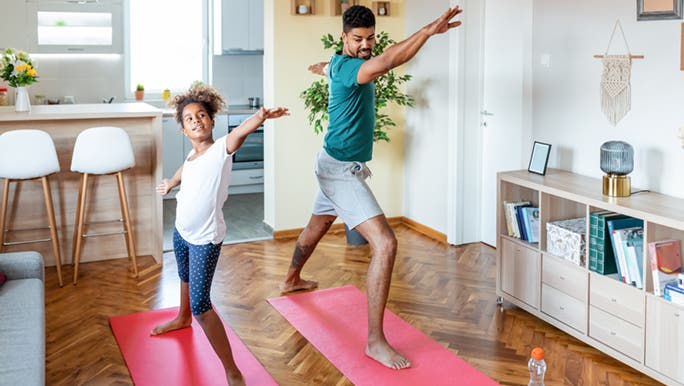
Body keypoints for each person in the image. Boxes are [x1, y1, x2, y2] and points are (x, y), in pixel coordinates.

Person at [279, 5, 462, 370]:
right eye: (358, 39)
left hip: (335, 164)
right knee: (386, 242)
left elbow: (336, 66)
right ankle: (375, 342)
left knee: (317, 226)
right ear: (344, 36)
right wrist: (426, 31)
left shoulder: (337, 63)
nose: (366, 45)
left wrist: (324, 68)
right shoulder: (351, 68)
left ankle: (291, 280)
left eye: (370, 38)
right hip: (339, 171)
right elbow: (388, 62)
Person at [153, 84, 289, 386]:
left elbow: (239, 133)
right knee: (185, 279)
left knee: (203, 306)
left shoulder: (220, 150)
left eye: (202, 115)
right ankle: (181, 317)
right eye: (189, 119)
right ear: (183, 130)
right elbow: (183, 170)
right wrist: (171, 183)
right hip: (181, 232)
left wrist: (259, 117)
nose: (196, 120)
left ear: (212, 121)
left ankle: (231, 369)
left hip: (205, 239)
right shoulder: (191, 156)